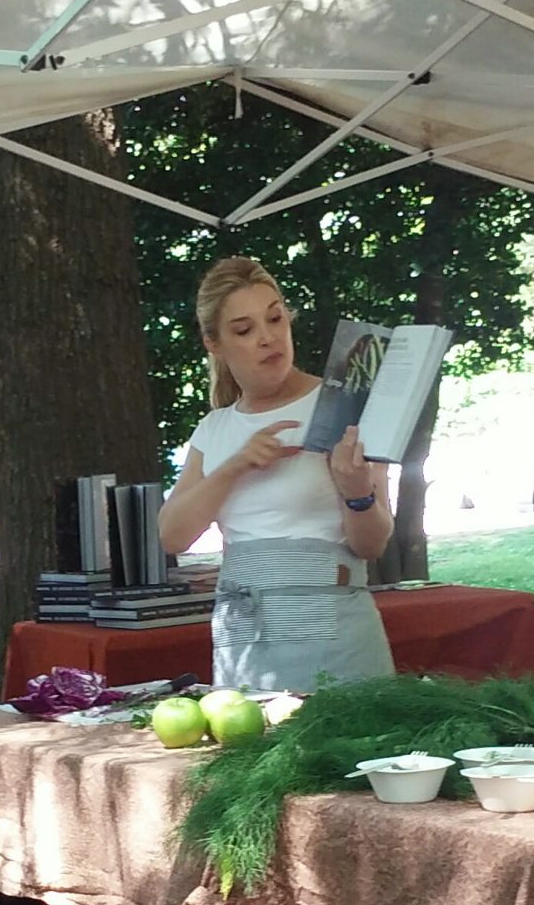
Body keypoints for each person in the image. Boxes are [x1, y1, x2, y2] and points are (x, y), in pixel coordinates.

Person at [159, 257, 396, 693]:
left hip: (338, 643)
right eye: (245, 330)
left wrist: (356, 491)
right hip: (245, 650)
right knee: (256, 757)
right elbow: (172, 536)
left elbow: (372, 544)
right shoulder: (215, 428)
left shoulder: (342, 406)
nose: (268, 338)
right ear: (214, 343)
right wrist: (236, 465)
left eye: (275, 318)